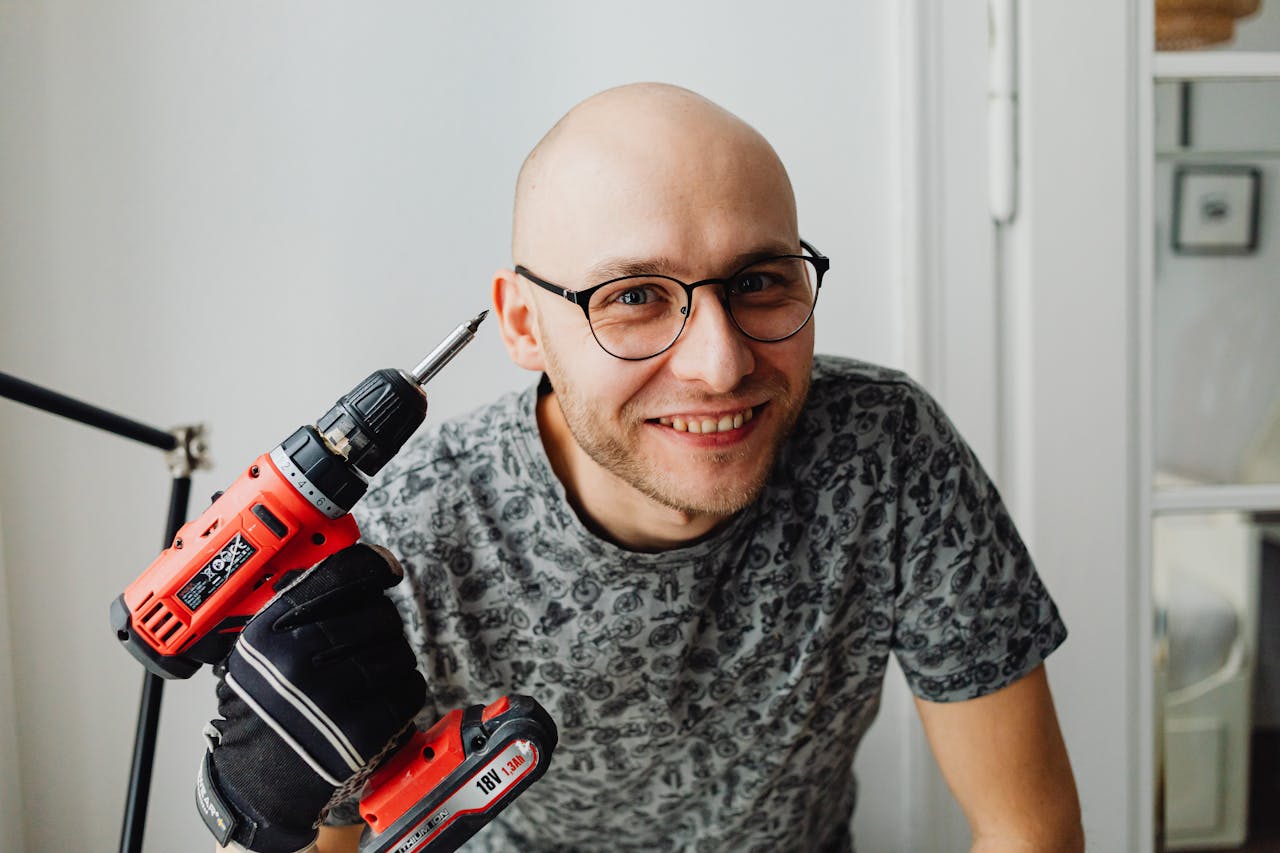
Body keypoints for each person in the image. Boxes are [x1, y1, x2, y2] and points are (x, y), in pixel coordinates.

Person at [204, 83, 1084, 853]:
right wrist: (264, 806)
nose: (720, 363)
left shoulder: (888, 454)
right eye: (633, 297)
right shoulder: (402, 543)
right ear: (522, 325)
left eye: (760, 280)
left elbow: (1026, 829)